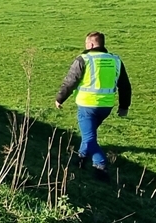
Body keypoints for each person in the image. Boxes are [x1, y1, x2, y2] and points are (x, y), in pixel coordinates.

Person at [55, 32, 132, 180]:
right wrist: (124, 106)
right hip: (106, 106)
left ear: (90, 44)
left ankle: (100, 165)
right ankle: (81, 158)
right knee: (88, 134)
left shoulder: (84, 59)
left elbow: (71, 81)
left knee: (89, 137)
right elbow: (125, 86)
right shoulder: (116, 60)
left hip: (87, 106)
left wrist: (60, 98)